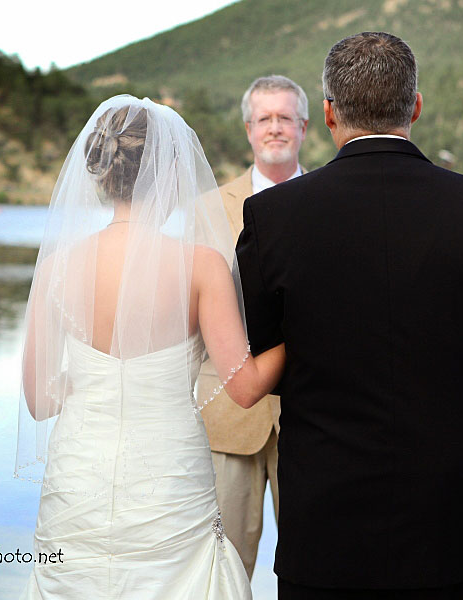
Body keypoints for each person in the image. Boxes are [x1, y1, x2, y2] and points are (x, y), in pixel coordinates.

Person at [235, 32, 463, 599]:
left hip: (323, 517)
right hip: (445, 516)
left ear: (328, 112)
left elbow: (267, 349)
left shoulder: (271, 216)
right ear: (416, 106)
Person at [14, 95, 285, 599]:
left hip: (80, 477)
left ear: (98, 172)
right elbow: (246, 388)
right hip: (169, 476)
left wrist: (89, 381)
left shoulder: (58, 267)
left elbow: (37, 401)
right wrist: (299, 334)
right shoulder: (201, 265)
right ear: (167, 174)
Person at [196, 74, 309, 579]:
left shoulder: (330, 199)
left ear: (305, 126)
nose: (275, 128)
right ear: (248, 128)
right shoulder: (207, 208)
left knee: (313, 561)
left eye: (285, 117)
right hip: (225, 413)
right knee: (224, 565)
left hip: (311, 415)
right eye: (264, 118)